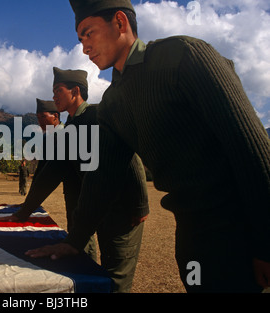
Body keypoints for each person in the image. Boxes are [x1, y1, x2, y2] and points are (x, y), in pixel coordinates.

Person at [26, 0, 270, 293]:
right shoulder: (114, 102)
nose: (84, 47)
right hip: (192, 237)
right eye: (80, 39)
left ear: (120, 22)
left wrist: (265, 244)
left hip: (238, 232)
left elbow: (251, 150)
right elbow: (103, 177)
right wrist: (74, 241)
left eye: (89, 33)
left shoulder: (182, 56)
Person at [5, 67, 149, 292]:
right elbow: (50, 174)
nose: (54, 96)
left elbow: (131, 159)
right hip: (97, 206)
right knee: (93, 271)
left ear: (75, 91)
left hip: (122, 209)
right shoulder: (71, 127)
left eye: (58, 90)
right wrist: (23, 212)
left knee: (116, 276)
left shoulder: (97, 116)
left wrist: (140, 205)